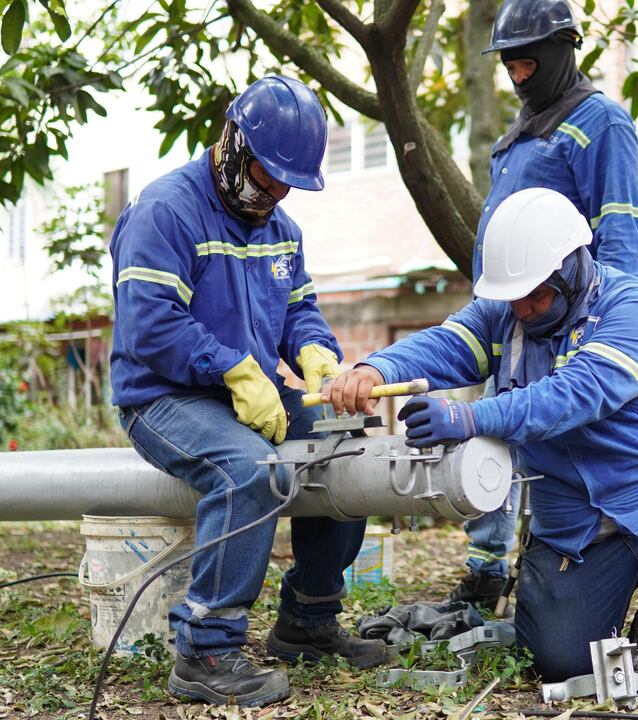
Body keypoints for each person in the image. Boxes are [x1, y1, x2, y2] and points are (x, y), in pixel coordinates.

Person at [326, 188, 638, 680]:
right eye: (512, 298)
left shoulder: (634, 309)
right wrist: (376, 369)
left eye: (536, 297)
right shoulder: (507, 314)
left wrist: (471, 418)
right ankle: (597, 602)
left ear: (573, 270)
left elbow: (576, 394)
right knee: (560, 661)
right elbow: (448, 343)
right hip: (577, 532)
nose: (521, 310)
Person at [109, 75, 388, 708]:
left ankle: (308, 621)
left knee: (352, 446)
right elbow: (150, 325)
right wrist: (233, 369)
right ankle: (206, 651)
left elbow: (300, 310)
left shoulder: (280, 228)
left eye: (287, 184)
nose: (274, 195)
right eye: (266, 179)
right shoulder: (165, 210)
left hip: (250, 391)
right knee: (245, 469)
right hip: (163, 398)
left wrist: (316, 352)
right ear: (232, 143)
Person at [453, 0, 638, 609]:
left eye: (526, 58)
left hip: (567, 322)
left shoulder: (600, 123)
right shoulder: (518, 134)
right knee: (489, 437)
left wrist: (606, 332)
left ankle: (573, 561)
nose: (514, 69)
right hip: (512, 318)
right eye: (507, 60)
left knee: (547, 434)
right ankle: (486, 571)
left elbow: (618, 239)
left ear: (565, 47)